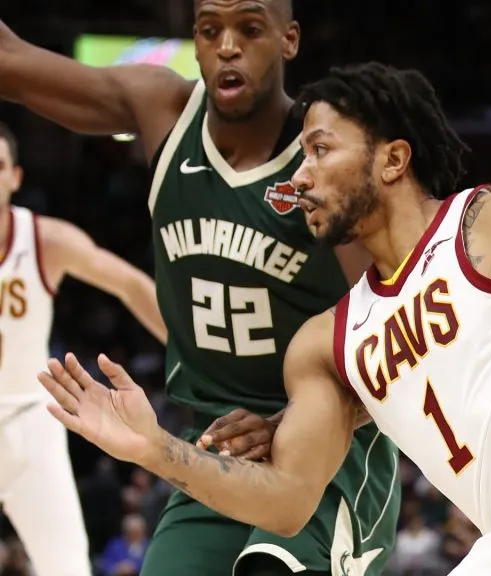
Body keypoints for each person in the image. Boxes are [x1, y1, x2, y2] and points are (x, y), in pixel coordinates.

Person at [37, 63, 491, 575]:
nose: (298, 177)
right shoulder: (326, 346)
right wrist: (154, 449)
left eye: (320, 149)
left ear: (392, 159)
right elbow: (290, 500)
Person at [0, 2, 400, 575]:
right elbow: (11, 61)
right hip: (212, 449)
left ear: (289, 40)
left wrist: (286, 424)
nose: (228, 46)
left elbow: (392, 340)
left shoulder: (326, 158)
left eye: (250, 29)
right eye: (211, 31)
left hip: (329, 453)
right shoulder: (163, 110)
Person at [0, 122, 166, 576]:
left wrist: (191, 351)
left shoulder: (44, 240)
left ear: (15, 177)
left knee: (68, 566)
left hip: (28, 422)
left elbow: (130, 284)